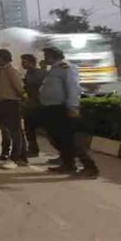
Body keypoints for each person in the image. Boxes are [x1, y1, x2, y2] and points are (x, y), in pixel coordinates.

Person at [39, 47, 100, 178]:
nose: (44, 58)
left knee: (71, 139)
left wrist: (72, 106)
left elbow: (73, 88)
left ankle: (90, 167)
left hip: (62, 108)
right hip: (51, 108)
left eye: (46, 55)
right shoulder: (54, 69)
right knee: (57, 138)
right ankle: (68, 164)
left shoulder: (66, 68)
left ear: (53, 56)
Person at [0, 49, 28, 169]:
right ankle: (22, 157)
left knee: (15, 132)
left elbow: (19, 88)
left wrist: (24, 99)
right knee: (15, 131)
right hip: (4, 104)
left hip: (11, 103)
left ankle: (15, 158)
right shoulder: (3, 71)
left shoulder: (11, 71)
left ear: (3, 58)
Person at [21, 54, 46, 157]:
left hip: (40, 105)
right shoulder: (28, 73)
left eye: (24, 62)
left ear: (31, 62)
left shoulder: (40, 73)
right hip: (30, 105)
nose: (22, 64)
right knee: (29, 129)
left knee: (48, 131)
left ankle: (64, 155)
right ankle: (33, 149)